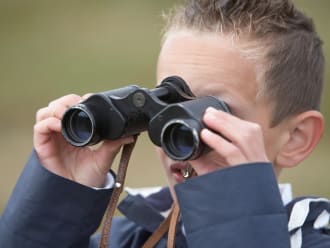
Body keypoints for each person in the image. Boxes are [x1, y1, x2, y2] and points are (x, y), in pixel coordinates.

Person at [0, 0, 329, 247]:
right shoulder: (129, 235)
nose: (179, 127)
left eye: (213, 111)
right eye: (169, 104)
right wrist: (57, 201)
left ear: (294, 139)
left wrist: (232, 205)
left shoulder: (313, 235)